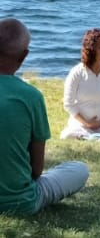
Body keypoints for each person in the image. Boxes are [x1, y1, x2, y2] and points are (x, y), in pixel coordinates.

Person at [0, 18, 89, 214]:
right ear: (23, 57)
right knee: (79, 169)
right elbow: (36, 170)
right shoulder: (31, 97)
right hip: (20, 202)